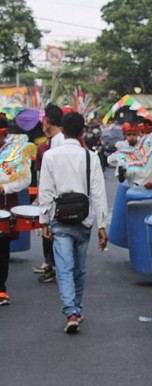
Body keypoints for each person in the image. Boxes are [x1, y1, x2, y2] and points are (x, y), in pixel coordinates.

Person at [38, 112, 108, 333]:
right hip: (84, 219)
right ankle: (76, 307)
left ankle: (71, 312)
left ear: (62, 130)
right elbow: (98, 192)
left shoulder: (50, 156)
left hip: (60, 218)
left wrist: (44, 221)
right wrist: (102, 225)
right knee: (79, 268)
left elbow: (46, 191)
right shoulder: (91, 157)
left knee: (64, 268)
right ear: (82, 131)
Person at [0, 113, 32, 306]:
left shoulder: (16, 152)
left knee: (2, 248)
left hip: (4, 203)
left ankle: (1, 289)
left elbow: (25, 180)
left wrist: (5, 188)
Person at [34, 104, 65, 282]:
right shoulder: (49, 144)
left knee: (58, 239)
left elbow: (48, 180)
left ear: (47, 121)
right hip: (60, 201)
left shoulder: (53, 147)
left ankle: (57, 270)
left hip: (57, 201)